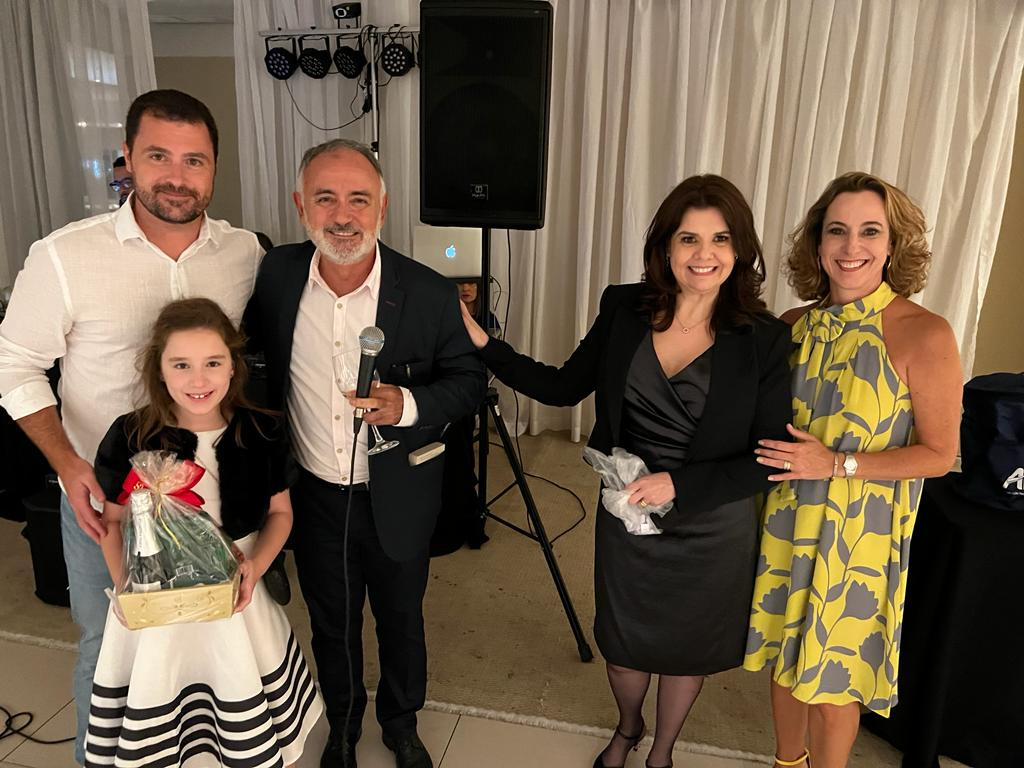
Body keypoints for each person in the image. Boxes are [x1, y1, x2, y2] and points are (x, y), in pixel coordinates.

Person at [461, 175, 793, 768]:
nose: (704, 254)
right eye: (689, 238)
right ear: (665, 246)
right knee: (622, 647)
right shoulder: (624, 307)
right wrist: (484, 343)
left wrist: (678, 484)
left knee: (686, 653)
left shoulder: (763, 338)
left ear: (740, 248)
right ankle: (629, 725)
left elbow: (767, 458)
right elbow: (561, 387)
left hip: (711, 524)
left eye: (720, 239)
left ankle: (662, 752)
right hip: (628, 514)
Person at [0, 89, 263, 765]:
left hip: (209, 497)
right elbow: (13, 365)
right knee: (110, 645)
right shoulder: (64, 256)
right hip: (105, 498)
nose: (177, 176)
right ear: (127, 157)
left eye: (194, 160)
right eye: (158, 156)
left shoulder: (244, 254)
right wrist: (67, 464)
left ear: (214, 167)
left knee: (211, 646)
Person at [243, 138, 486, 768]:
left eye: (358, 199)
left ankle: (401, 724)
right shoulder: (276, 276)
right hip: (313, 495)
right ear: (300, 206)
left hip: (398, 493)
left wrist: (408, 404)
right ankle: (344, 727)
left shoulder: (428, 290)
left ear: (383, 206)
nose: (343, 216)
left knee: (402, 618)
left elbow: (468, 382)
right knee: (333, 621)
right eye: (325, 198)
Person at [743, 172, 962, 768]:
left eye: (870, 231)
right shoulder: (792, 326)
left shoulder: (925, 334)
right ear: (818, 243)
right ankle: (786, 763)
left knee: (833, 681)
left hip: (859, 535)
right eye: (836, 230)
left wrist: (835, 462)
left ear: (893, 245)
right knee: (784, 659)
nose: (851, 246)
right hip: (785, 520)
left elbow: (940, 454)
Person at [86, 298, 323, 767]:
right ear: (159, 370)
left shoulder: (261, 430)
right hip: (155, 594)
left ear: (234, 366)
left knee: (238, 692)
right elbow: (112, 522)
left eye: (213, 363)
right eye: (181, 365)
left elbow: (281, 513)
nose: (199, 380)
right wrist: (127, 591)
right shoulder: (132, 435)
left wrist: (257, 566)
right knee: (161, 693)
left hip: (238, 591)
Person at [431, 278, 500, 555]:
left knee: (456, 436)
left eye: (471, 282)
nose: (466, 288)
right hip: (442, 389)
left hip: (467, 395)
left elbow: (491, 363)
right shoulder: (438, 315)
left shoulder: (487, 320)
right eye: (460, 283)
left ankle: (461, 509)